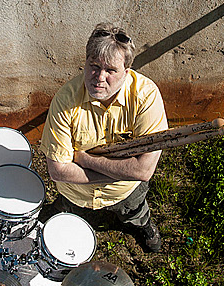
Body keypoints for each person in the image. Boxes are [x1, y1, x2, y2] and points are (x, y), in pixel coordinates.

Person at [40, 24, 168, 252]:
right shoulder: (65, 100)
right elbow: (58, 171)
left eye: (110, 70)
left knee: (134, 208)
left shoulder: (146, 96)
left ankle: (142, 225)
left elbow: (143, 172)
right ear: (86, 62)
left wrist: (85, 160)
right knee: (69, 216)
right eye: (94, 66)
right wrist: (120, 171)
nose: (99, 77)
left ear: (126, 73)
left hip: (125, 192)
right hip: (77, 193)